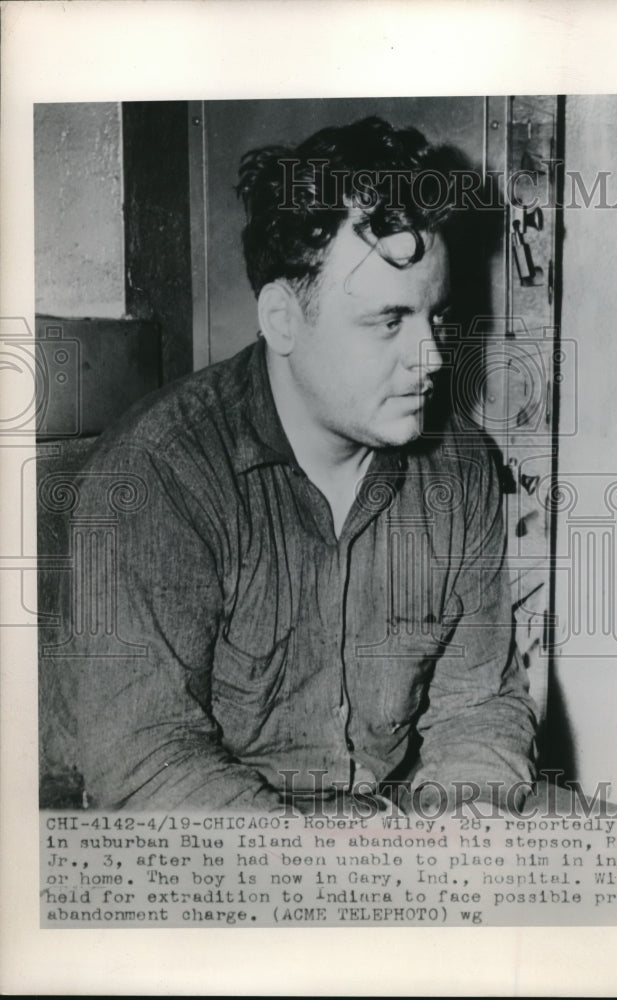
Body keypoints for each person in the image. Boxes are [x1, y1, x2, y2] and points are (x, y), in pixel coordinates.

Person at [42, 116, 538, 815]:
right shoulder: (158, 475)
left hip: (382, 838)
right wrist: (324, 874)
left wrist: (467, 818)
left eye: (437, 318)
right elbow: (147, 759)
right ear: (282, 319)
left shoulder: (459, 468)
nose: (431, 358)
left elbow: (479, 704)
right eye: (388, 322)